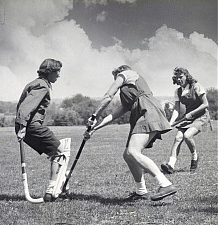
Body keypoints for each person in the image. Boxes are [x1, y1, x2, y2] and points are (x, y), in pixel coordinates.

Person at [84, 65, 177, 201]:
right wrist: (94, 129)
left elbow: (108, 96)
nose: (116, 81)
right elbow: (113, 115)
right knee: (128, 155)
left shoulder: (127, 73)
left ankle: (165, 184)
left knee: (133, 152)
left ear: (119, 74)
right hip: (140, 113)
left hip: (148, 110)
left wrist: (94, 116)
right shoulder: (130, 97)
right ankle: (141, 192)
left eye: (115, 78)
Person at [15, 58, 71, 202]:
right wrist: (22, 127)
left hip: (28, 126)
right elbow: (26, 107)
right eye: (57, 71)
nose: (59, 75)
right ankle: (53, 191)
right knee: (62, 152)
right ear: (49, 71)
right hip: (31, 127)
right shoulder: (42, 86)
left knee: (57, 152)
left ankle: (59, 190)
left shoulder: (36, 83)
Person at [161, 67, 210, 174]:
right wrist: (171, 122)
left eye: (181, 77)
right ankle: (171, 165)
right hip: (189, 118)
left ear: (186, 76)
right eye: (176, 77)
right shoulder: (178, 91)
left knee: (187, 136)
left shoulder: (196, 86)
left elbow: (205, 104)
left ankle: (194, 156)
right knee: (178, 137)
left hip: (201, 116)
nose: (179, 79)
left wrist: (192, 113)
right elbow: (177, 109)